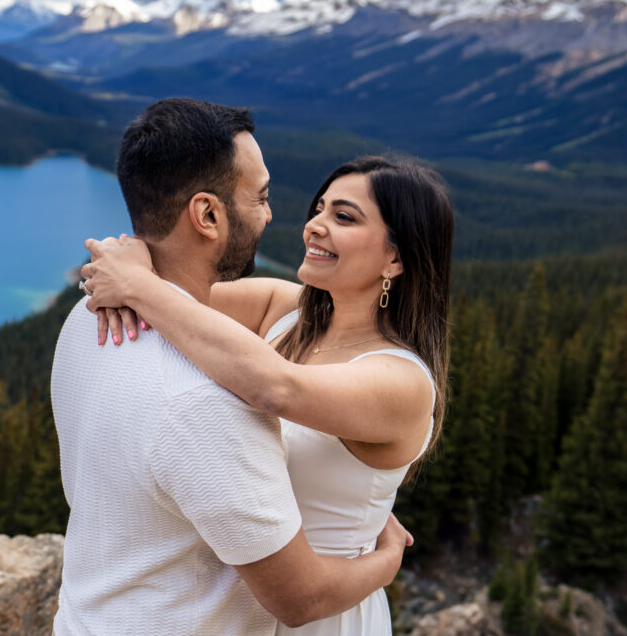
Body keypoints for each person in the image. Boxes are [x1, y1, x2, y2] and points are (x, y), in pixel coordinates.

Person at [51, 99, 413, 635]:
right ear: (208, 215)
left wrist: (352, 498)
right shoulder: (209, 404)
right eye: (261, 197)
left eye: (342, 216)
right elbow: (301, 597)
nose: (279, 217)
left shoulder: (88, 317)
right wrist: (386, 560)